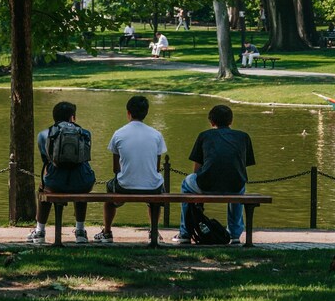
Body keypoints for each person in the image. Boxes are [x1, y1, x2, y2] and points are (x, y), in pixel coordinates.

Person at [174, 105, 256, 245]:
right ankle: (235, 234)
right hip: (234, 185)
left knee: (186, 184)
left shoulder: (205, 135)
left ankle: (185, 232)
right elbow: (242, 166)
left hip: (206, 184)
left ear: (211, 122)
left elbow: (197, 169)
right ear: (231, 121)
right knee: (239, 188)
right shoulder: (243, 137)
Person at [93, 96, 167, 243]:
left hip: (124, 186)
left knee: (109, 192)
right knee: (158, 190)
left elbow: (115, 168)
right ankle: (154, 231)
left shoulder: (119, 133)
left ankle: (107, 232)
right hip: (152, 187)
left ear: (128, 113)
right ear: (146, 112)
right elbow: (157, 168)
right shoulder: (156, 135)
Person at [27, 102, 96, 244]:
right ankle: (80, 232)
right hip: (82, 182)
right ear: (73, 117)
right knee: (81, 190)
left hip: (55, 184)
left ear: (54, 117)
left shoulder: (43, 135)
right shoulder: (85, 133)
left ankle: (40, 231)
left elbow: (46, 163)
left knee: (44, 187)